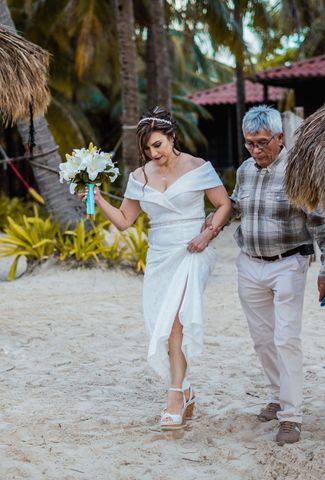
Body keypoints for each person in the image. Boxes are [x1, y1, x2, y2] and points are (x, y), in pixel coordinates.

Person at [82, 106, 232, 430]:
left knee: (177, 322)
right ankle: (186, 388)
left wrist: (207, 234)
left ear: (172, 137)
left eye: (159, 145)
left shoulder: (198, 167)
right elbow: (124, 221)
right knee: (160, 327)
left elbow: (224, 205)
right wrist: (96, 196)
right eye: (148, 148)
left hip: (194, 250)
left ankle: (174, 397)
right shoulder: (140, 177)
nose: (154, 153)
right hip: (160, 254)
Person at [226, 105, 325, 445]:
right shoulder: (245, 170)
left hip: (289, 264)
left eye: (262, 143)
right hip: (249, 263)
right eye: (249, 143)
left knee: (286, 339)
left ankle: (291, 417)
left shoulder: (298, 171)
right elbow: (234, 206)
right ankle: (276, 396)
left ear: (279, 138)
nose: (255, 150)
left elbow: (323, 221)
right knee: (262, 340)